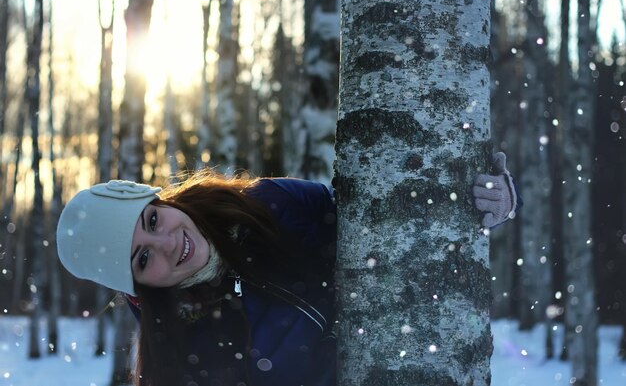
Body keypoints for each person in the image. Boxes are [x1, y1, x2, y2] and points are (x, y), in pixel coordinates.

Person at [56, 153, 518, 386]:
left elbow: (385, 219)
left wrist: (467, 207)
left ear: (162, 200)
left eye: (152, 220)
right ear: (139, 288)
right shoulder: (178, 360)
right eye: (142, 257)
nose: (167, 242)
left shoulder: (270, 205)